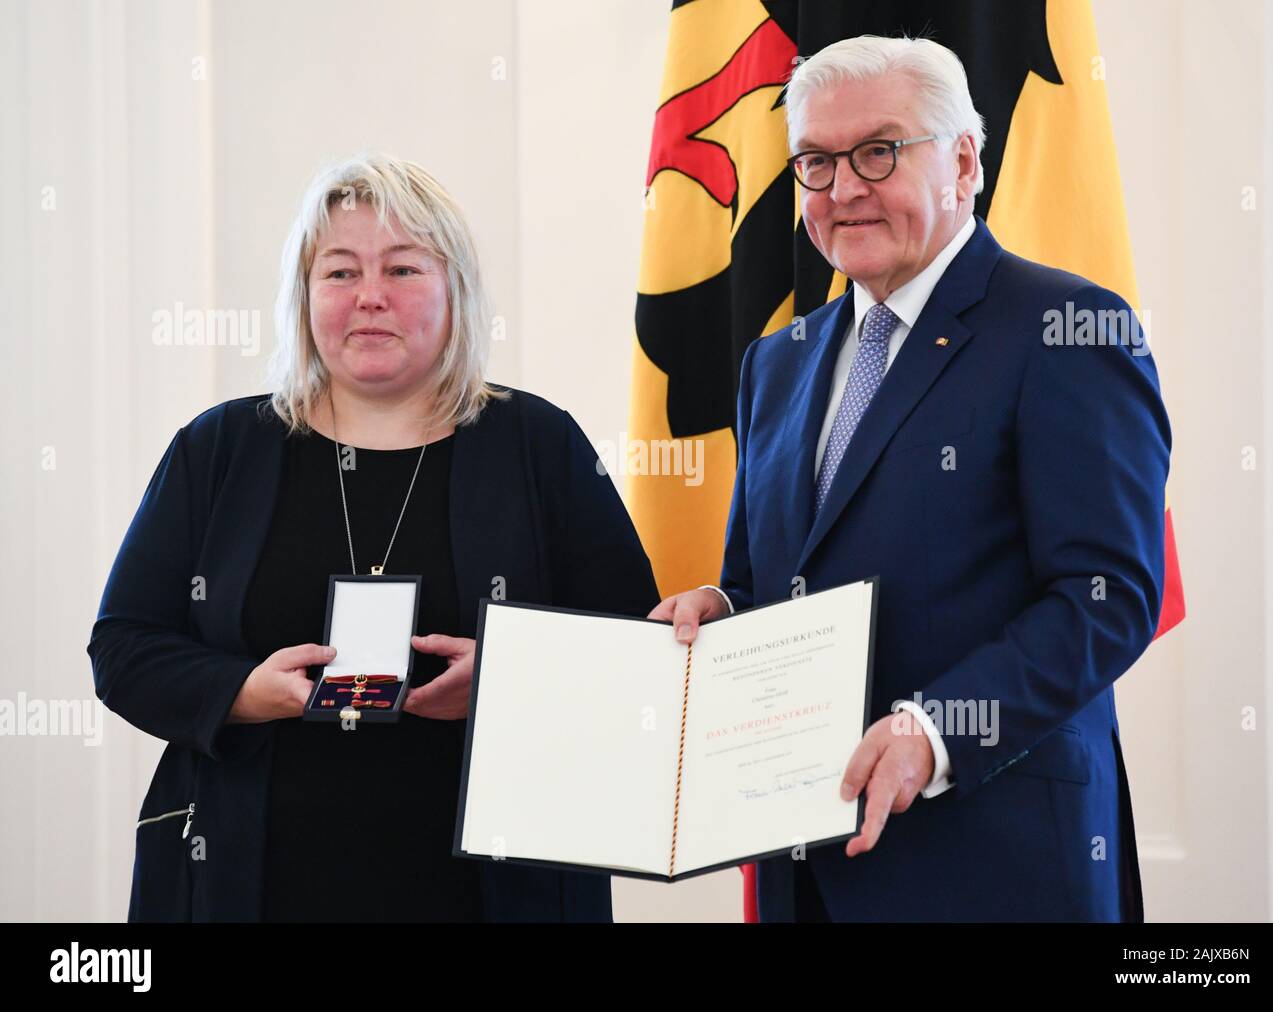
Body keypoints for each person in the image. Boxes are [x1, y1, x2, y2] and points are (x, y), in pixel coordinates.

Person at [651, 35, 1171, 922]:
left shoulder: (1071, 327)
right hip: (806, 868)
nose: (843, 188)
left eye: (878, 152)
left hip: (997, 865)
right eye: (815, 161)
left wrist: (936, 732)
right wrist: (724, 610)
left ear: (964, 161)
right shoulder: (777, 362)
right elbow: (767, 578)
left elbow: (1107, 597)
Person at [88, 152, 659, 922]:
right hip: (250, 885)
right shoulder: (219, 449)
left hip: (494, 892)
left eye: (402, 270)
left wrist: (506, 682)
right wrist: (245, 693)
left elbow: (638, 656)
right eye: (340, 273)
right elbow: (123, 648)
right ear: (304, 296)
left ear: (455, 292)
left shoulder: (538, 444)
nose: (370, 299)